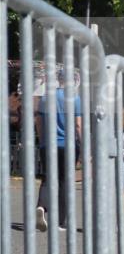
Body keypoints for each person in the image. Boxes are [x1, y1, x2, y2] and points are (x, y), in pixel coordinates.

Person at [34, 69, 82, 232]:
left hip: (48, 144)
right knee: (64, 181)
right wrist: (82, 144)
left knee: (48, 177)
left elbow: (39, 122)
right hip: (67, 145)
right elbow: (77, 125)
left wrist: (42, 141)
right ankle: (60, 221)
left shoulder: (45, 98)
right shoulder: (75, 98)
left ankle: (41, 207)